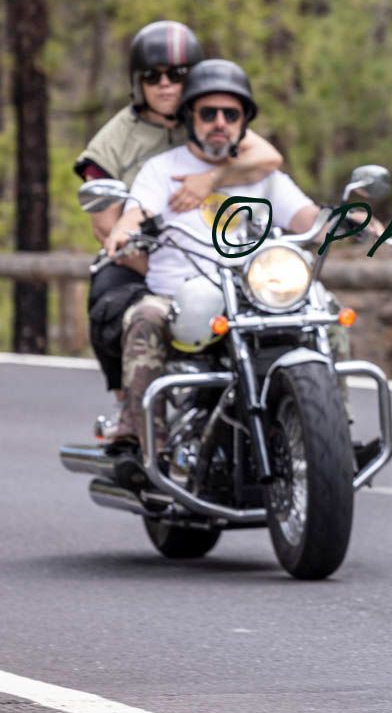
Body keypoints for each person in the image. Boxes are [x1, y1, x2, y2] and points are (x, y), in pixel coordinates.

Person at [100, 60, 324, 448]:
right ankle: (142, 439)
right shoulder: (161, 170)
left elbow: (308, 218)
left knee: (325, 309)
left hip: (254, 297)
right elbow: (139, 210)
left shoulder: (263, 176)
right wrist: (125, 228)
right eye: (208, 113)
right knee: (144, 316)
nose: (219, 122)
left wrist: (349, 219)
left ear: (243, 122)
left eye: (230, 114)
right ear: (190, 117)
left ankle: (331, 434)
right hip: (177, 297)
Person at [75, 21, 284, 436]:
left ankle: (314, 424)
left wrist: (210, 179)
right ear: (138, 82)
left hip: (218, 254)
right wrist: (159, 266)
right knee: (116, 309)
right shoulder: (113, 142)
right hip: (143, 258)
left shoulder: (212, 118)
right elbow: (107, 227)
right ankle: (133, 417)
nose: (167, 84)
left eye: (179, 74)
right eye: (154, 76)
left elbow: (267, 158)